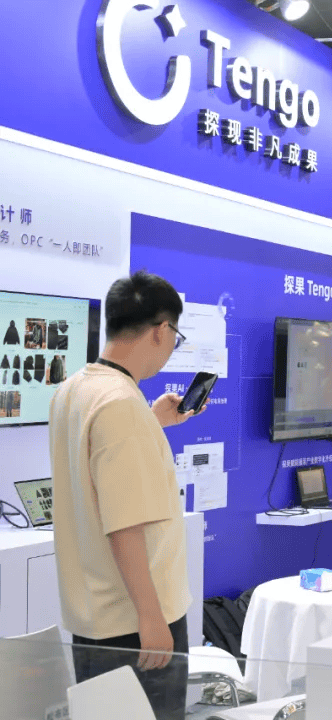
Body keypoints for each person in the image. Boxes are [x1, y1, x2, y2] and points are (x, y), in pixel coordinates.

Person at [49, 271, 205, 720]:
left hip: (95, 620)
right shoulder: (121, 404)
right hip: (135, 624)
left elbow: (100, 479)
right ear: (161, 330)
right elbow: (124, 525)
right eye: (175, 336)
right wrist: (151, 617)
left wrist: (151, 422)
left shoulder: (74, 390)